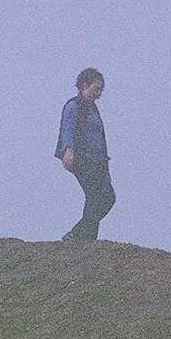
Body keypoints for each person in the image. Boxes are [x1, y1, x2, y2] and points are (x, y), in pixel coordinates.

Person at [55, 67, 115, 242]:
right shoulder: (74, 105)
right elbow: (67, 129)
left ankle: (86, 240)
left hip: (97, 162)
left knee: (96, 197)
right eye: (96, 89)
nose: (99, 94)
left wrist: (106, 168)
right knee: (105, 196)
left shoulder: (93, 109)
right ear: (84, 86)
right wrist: (68, 151)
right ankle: (77, 234)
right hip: (81, 159)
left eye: (101, 90)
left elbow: (100, 140)